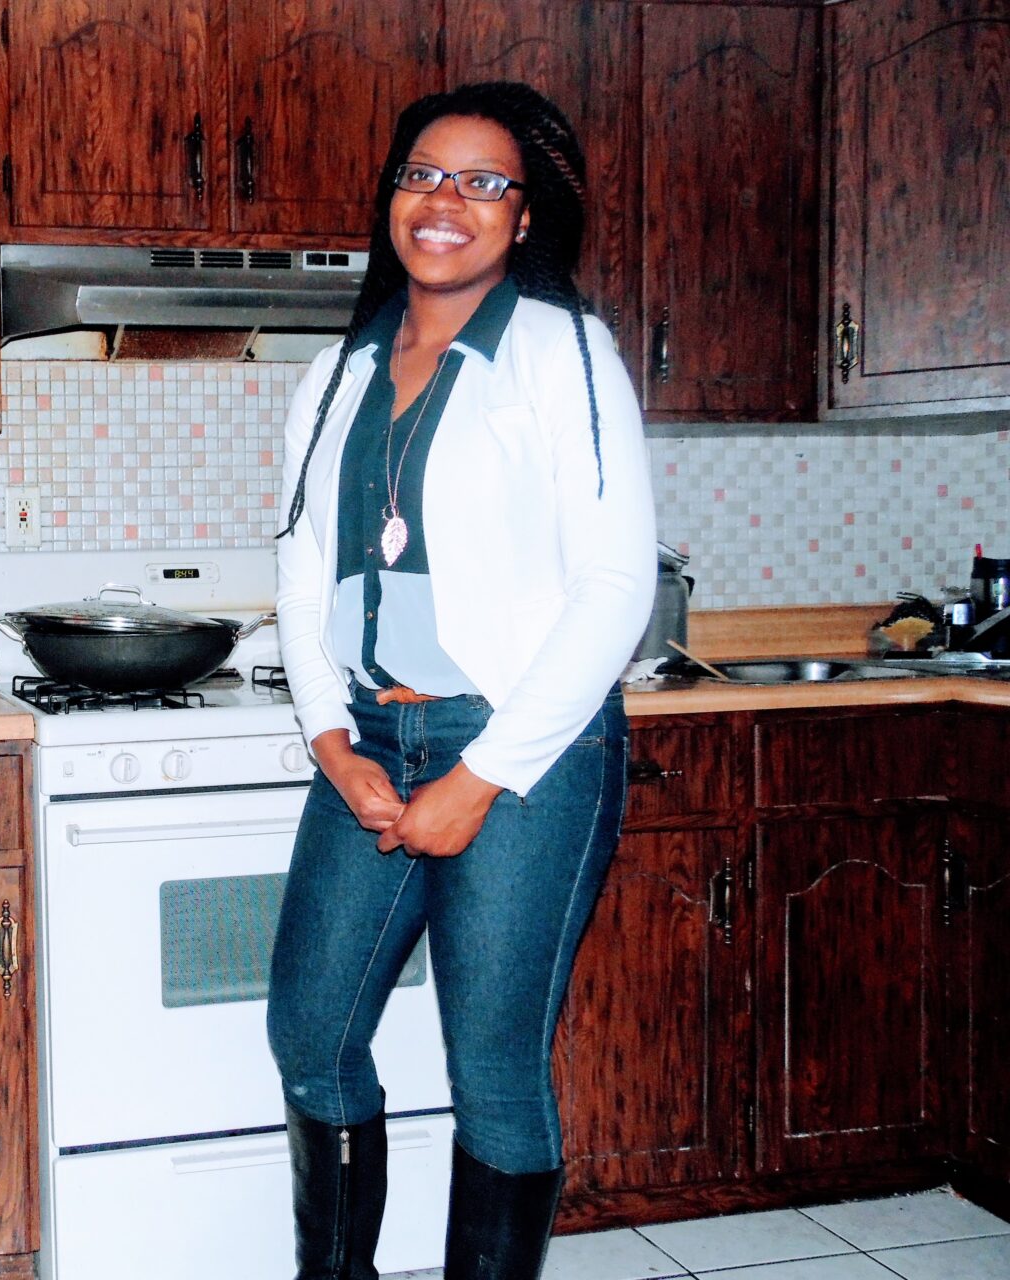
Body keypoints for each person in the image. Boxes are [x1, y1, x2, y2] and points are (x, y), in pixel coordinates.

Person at [267, 82, 656, 1280]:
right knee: (312, 1030)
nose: (447, 202)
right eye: (424, 174)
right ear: (390, 196)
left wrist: (480, 777)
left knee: (491, 1069)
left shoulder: (563, 353)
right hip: (371, 741)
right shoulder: (335, 375)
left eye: (485, 183)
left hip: (523, 749)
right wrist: (332, 742)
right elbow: (297, 563)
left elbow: (613, 585)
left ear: (524, 218)